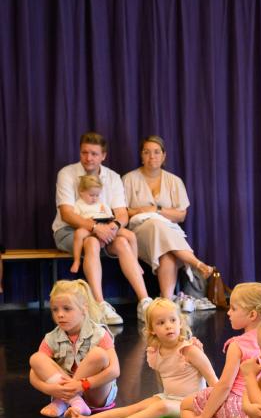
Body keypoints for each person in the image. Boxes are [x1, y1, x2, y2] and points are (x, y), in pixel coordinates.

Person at [70, 298, 218, 418]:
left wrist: (211, 412)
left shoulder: (190, 351)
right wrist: (161, 398)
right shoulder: (156, 353)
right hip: (170, 398)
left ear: (180, 323)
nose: (168, 326)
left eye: (173, 320)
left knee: (162, 407)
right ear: (152, 329)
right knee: (137, 407)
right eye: (161, 323)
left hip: (192, 405)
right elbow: (164, 381)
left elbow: (215, 384)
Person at [53, 131, 152, 325]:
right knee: (91, 242)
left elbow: (121, 214)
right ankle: (99, 305)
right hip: (71, 232)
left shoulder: (113, 177)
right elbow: (67, 214)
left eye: (94, 154)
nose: (88, 158)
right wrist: (95, 228)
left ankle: (144, 302)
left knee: (122, 242)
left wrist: (113, 227)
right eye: (84, 152)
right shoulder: (67, 174)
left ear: (103, 156)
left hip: (106, 231)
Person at [122, 135, 216, 311]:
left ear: (164, 156)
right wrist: (144, 212)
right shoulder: (129, 179)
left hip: (168, 233)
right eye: (147, 152)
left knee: (166, 251)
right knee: (156, 225)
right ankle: (196, 263)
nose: (152, 156)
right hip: (139, 235)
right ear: (141, 156)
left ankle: (166, 303)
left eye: (156, 152)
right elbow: (122, 212)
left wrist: (156, 210)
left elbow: (181, 215)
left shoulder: (174, 181)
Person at [180, 282, 261, 418]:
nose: (228, 312)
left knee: (184, 406)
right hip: (260, 412)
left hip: (238, 409)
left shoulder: (237, 345)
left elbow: (225, 386)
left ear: (252, 315)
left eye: (233, 308)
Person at [29, 280, 119, 418]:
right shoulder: (51, 338)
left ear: (83, 309)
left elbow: (114, 371)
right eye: (55, 309)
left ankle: (64, 401)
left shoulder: (99, 334)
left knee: (98, 355)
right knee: (36, 358)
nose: (60, 314)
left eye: (67, 309)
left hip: (94, 394)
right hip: (65, 393)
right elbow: (34, 373)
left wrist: (82, 385)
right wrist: (49, 389)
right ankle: (74, 401)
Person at [69, 175, 113, 274]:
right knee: (78, 233)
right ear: (81, 192)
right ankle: (77, 260)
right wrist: (86, 221)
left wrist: (108, 221)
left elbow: (110, 216)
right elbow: (77, 219)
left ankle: (135, 261)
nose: (94, 198)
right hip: (88, 229)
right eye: (91, 195)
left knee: (128, 234)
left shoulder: (101, 204)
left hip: (103, 226)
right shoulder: (79, 204)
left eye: (97, 195)